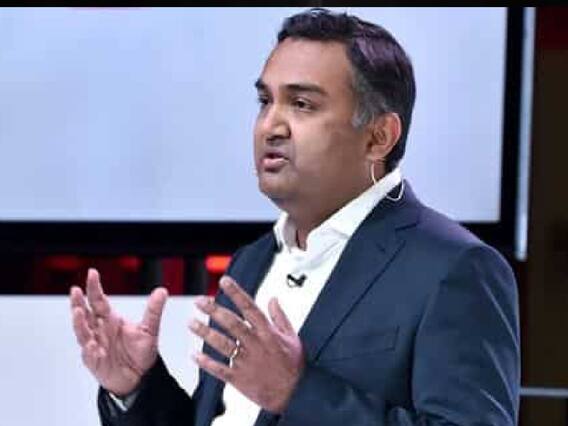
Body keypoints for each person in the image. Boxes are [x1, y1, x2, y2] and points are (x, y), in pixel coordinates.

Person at [70, 8, 520, 426]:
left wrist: (298, 392)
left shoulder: (454, 268)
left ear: (379, 137)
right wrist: (136, 389)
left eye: (302, 104)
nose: (271, 125)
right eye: (265, 101)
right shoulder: (251, 262)